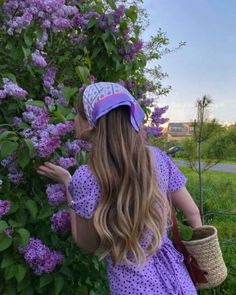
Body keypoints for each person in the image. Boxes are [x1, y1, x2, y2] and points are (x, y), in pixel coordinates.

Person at [37, 82, 202, 295]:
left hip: (133, 286)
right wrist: (199, 254)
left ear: (91, 122)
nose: (73, 119)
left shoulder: (85, 178)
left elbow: (87, 244)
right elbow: (193, 212)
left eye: (77, 113)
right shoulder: (158, 158)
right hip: (179, 280)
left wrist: (69, 184)